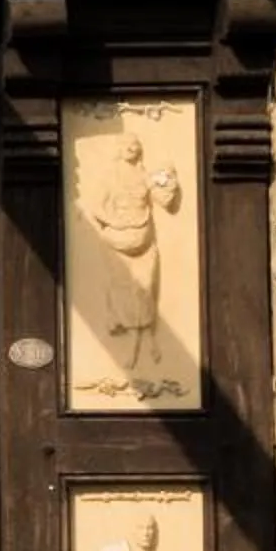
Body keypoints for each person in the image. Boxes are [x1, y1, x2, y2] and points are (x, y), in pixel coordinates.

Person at [85, 128, 182, 392]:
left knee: (146, 288)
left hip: (144, 241)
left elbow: (166, 201)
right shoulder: (109, 176)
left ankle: (149, 337)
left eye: (135, 143)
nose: (131, 147)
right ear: (119, 148)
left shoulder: (146, 175)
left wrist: (168, 177)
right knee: (124, 291)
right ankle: (134, 344)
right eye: (126, 143)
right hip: (118, 242)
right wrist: (114, 221)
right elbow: (95, 206)